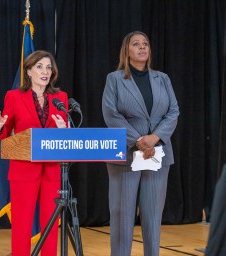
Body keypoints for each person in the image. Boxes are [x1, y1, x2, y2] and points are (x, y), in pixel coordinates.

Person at [102, 31, 179, 256]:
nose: (142, 47)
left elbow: (173, 111)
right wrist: (138, 140)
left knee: (153, 217)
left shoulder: (162, 78)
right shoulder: (114, 79)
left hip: (158, 154)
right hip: (125, 154)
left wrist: (154, 138)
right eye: (136, 44)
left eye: (145, 43)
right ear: (127, 50)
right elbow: (111, 114)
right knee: (122, 216)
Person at [0, 50, 68, 255]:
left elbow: (65, 139)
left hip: (52, 171)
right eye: (39, 67)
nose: (45, 71)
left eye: (49, 67)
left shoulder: (60, 98)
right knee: (22, 224)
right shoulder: (14, 97)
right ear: (28, 71)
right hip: (23, 169)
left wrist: (64, 130)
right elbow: (5, 135)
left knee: (51, 225)